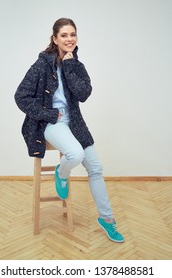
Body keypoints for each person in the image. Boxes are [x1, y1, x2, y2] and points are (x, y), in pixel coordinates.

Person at [15, 18, 124, 243]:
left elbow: (83, 94)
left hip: (74, 122)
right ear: (55, 39)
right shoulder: (40, 66)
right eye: (64, 35)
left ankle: (107, 219)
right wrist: (50, 114)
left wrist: (69, 66)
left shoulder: (76, 65)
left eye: (72, 34)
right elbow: (21, 97)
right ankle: (61, 174)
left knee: (95, 167)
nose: (69, 39)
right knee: (76, 154)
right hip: (50, 123)